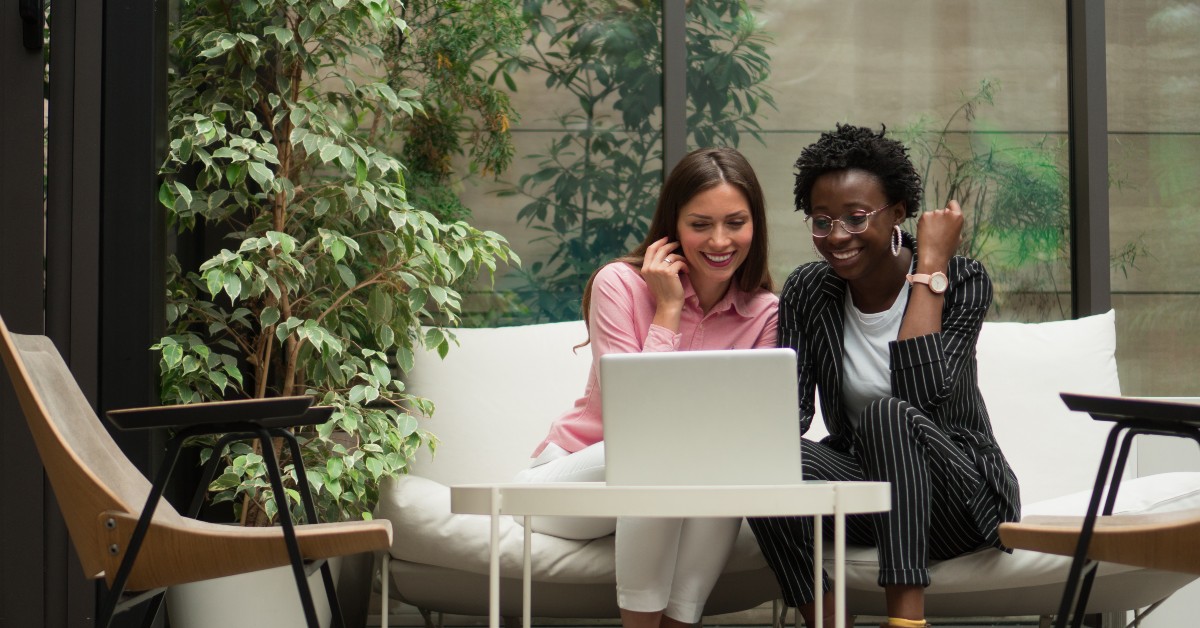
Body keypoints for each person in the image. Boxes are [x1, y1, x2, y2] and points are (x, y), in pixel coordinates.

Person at [748, 124, 1021, 628]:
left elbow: (921, 398)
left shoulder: (961, 281)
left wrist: (930, 268)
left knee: (887, 413)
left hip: (960, 501)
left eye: (855, 218)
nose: (836, 237)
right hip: (872, 496)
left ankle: (906, 619)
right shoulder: (810, 290)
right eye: (821, 221)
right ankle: (825, 620)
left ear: (898, 213)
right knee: (759, 459)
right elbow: (792, 414)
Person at [516, 147, 779, 628]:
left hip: (675, 482)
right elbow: (633, 421)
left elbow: (749, 432)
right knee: (661, 453)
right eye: (700, 224)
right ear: (673, 226)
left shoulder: (764, 312)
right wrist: (668, 311)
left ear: (755, 225)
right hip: (568, 489)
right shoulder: (618, 284)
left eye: (735, 222)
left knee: (723, 464)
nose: (720, 240)